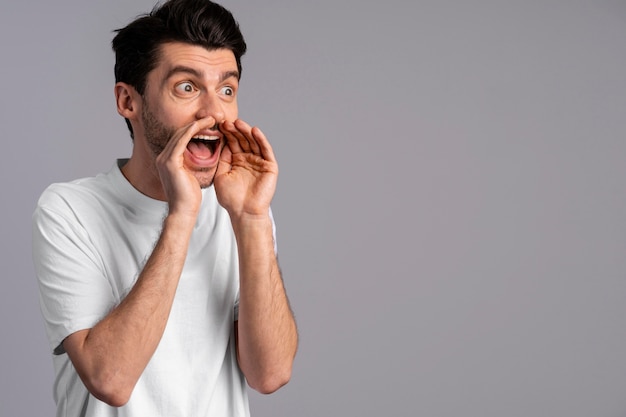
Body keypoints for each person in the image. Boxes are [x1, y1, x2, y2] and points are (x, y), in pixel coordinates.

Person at [31, 0, 298, 415]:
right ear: (128, 101)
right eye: (187, 87)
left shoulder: (241, 210)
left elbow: (271, 373)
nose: (213, 113)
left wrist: (252, 219)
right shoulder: (68, 210)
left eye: (227, 90)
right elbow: (110, 380)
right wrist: (181, 214)